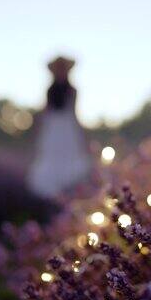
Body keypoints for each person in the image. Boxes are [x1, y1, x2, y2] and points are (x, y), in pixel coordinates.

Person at [26, 56, 92, 198]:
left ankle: (67, 196)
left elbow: (74, 113)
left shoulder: (72, 90)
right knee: (52, 160)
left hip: (67, 129)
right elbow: (46, 110)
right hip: (53, 130)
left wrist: (83, 137)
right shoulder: (50, 90)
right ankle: (55, 199)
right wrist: (38, 129)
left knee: (69, 160)